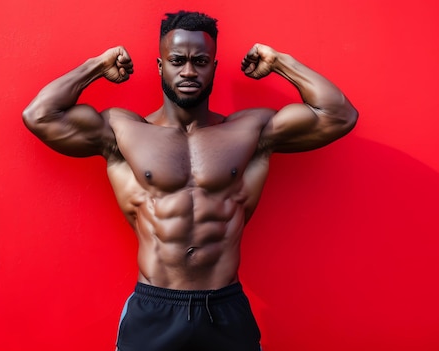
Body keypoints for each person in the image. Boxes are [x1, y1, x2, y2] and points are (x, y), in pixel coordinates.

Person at [22, 10, 357, 351]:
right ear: (160, 66)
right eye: (177, 60)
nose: (188, 71)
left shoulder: (249, 131)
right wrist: (97, 65)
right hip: (154, 308)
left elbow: (338, 114)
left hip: (224, 309)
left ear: (213, 65)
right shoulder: (123, 131)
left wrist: (279, 61)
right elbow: (39, 115)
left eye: (200, 61)